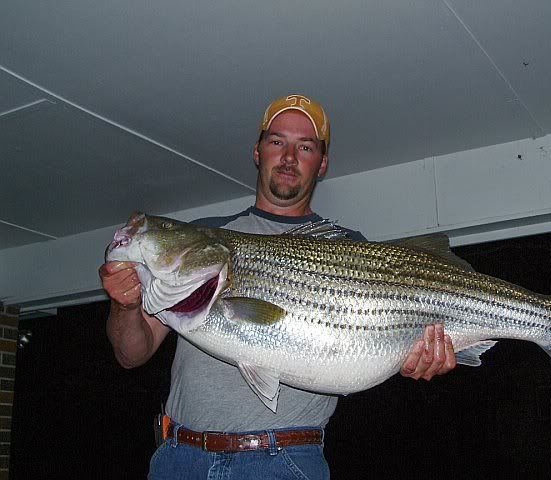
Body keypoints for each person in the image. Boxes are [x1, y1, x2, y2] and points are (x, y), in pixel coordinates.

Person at [99, 94, 457, 479]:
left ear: (322, 163)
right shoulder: (209, 237)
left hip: (283, 463)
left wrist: (420, 356)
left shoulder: (349, 248)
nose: (288, 157)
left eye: (305, 147)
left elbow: (386, 341)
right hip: (180, 459)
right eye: (276, 141)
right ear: (257, 152)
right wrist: (126, 304)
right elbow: (131, 355)